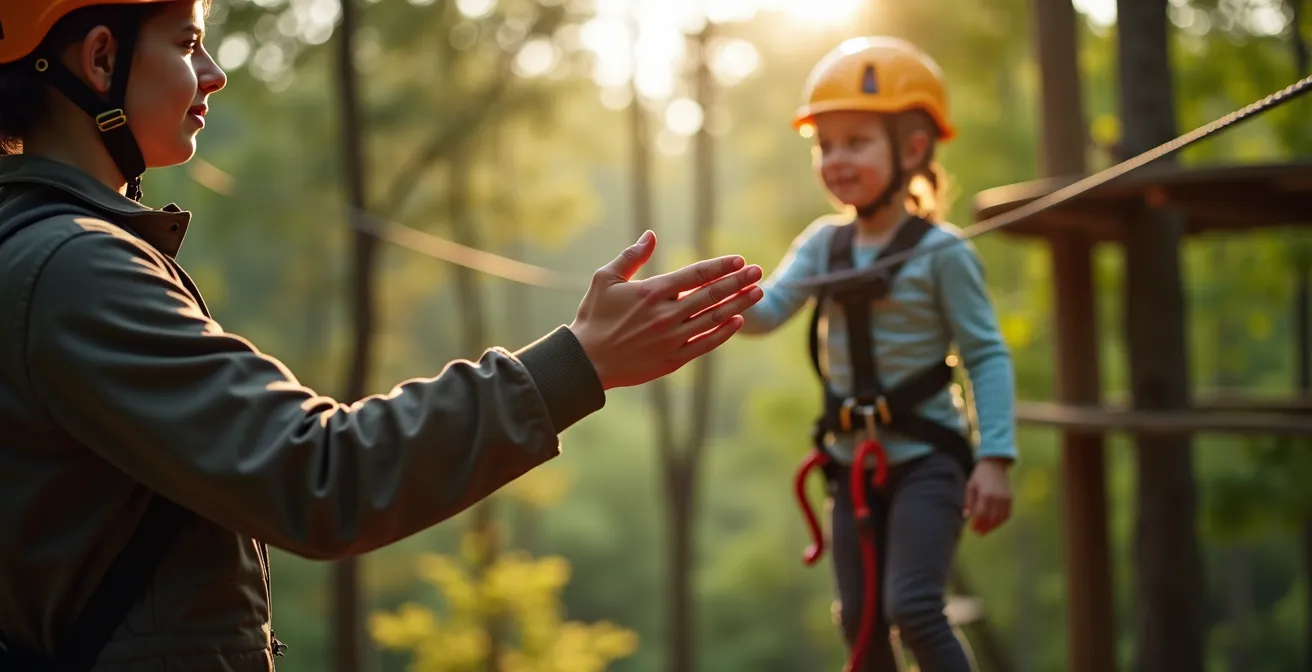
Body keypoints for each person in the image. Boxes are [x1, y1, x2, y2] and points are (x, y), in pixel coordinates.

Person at [0, 1, 765, 669]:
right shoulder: (75, 270)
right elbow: (319, 474)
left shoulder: (39, 257)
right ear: (101, 56)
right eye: (185, 41)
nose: (213, 71)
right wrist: (576, 365)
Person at [740, 37, 1017, 671]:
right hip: (852, 467)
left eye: (855, 142)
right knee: (858, 626)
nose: (835, 159)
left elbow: (986, 354)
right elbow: (770, 310)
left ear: (912, 149)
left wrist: (995, 457)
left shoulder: (941, 252)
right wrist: (715, 303)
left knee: (914, 609)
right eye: (824, 144)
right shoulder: (822, 246)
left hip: (927, 461)